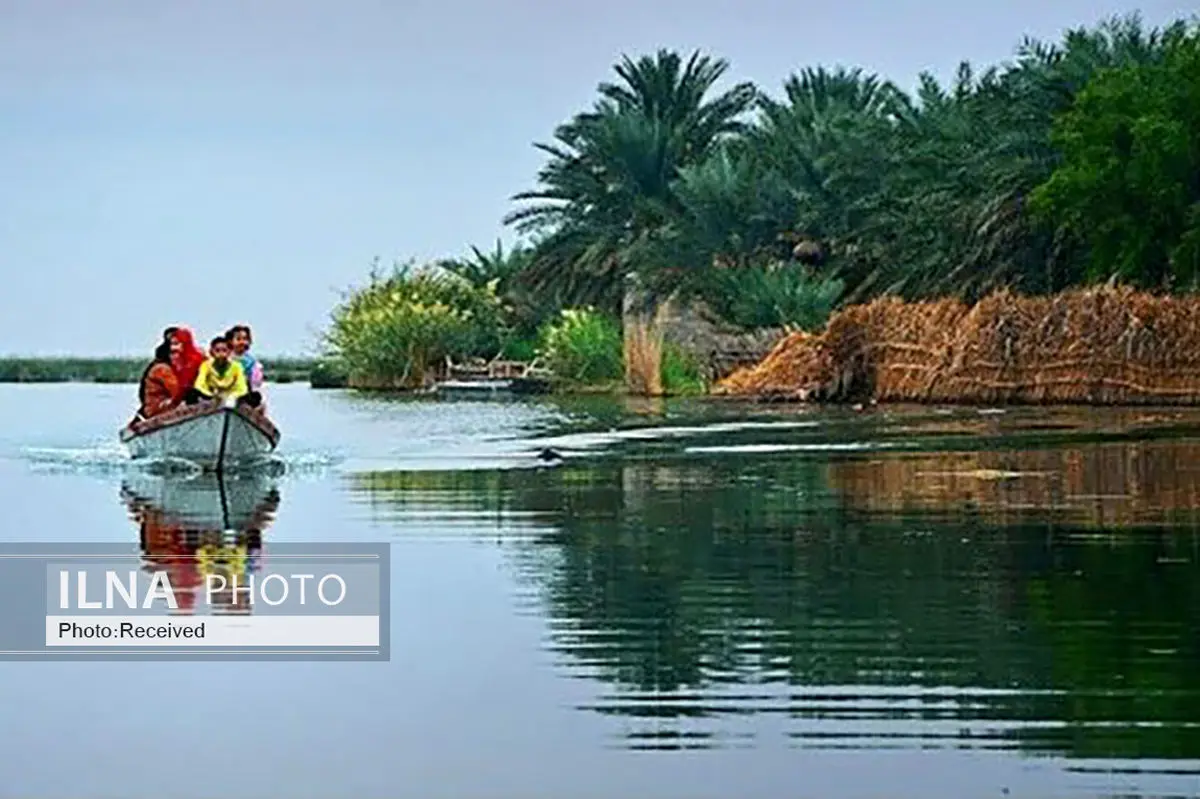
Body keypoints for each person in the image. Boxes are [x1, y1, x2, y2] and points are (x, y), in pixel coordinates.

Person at [187, 336, 248, 405]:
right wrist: (212, 395)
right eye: (217, 351)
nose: (221, 354)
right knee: (191, 393)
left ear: (229, 352)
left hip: (230, 397)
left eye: (224, 350)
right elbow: (199, 385)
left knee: (253, 397)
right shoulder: (206, 365)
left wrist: (232, 396)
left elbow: (242, 388)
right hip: (211, 396)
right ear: (212, 352)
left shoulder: (237, 366)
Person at [133, 337, 179, 421]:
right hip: (158, 409)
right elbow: (177, 392)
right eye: (174, 353)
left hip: (153, 408)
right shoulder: (162, 369)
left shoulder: (158, 367)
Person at [224, 324, 264, 408]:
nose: (242, 342)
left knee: (257, 397)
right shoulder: (224, 358)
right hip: (225, 391)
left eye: (245, 339)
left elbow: (255, 385)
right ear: (231, 341)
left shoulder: (252, 362)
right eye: (238, 339)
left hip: (243, 394)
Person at [169, 327, 207, 403]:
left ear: (185, 343)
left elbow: (186, 386)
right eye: (171, 344)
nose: (172, 348)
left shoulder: (197, 360)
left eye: (176, 344)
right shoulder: (177, 362)